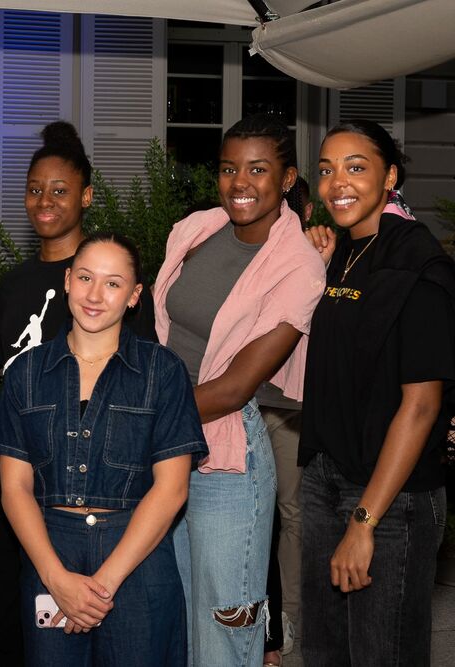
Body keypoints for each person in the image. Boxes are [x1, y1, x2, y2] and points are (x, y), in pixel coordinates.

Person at [0, 120, 155, 666]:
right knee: (5, 613)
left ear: (87, 196)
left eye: (59, 190)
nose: (45, 201)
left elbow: (136, 382)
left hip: (80, 482)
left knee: (84, 622)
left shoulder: (111, 282)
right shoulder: (14, 282)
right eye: (35, 190)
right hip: (12, 468)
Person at [153, 114, 325, 666]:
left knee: (225, 625)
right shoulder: (197, 230)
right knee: (178, 614)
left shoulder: (298, 265)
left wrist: (140, 416)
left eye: (257, 169)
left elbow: (234, 388)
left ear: (288, 178)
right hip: (167, 446)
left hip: (225, 455)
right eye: (229, 169)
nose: (240, 183)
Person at [0, 233, 207, 666]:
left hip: (137, 560)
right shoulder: (25, 373)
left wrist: (102, 585)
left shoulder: (162, 372)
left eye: (113, 283)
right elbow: (14, 489)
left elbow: (171, 490)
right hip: (50, 556)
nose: (94, 295)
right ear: (67, 280)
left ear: (134, 296)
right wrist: (58, 580)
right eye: (86, 277)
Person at [300, 119, 454, 666]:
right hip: (325, 476)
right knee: (324, 652)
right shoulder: (345, 251)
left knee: (380, 655)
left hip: (390, 497)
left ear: (390, 177)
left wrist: (364, 522)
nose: (337, 182)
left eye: (356, 167)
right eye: (326, 170)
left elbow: (422, 405)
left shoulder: (419, 267)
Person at [258, 175, 313, 665]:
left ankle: (287, 615)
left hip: (293, 408)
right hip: (249, 401)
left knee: (291, 513)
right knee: (259, 514)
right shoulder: (250, 248)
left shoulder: (317, 254)